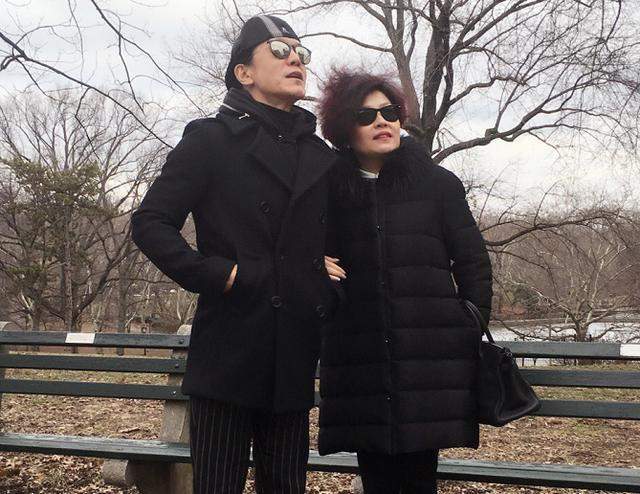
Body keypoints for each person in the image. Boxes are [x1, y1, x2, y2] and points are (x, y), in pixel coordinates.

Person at [131, 15, 339, 494]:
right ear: (244, 72)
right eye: (280, 50)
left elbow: (335, 237)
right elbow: (150, 222)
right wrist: (220, 274)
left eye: (301, 52)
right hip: (229, 348)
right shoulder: (210, 139)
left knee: (286, 487)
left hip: (293, 352)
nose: (296, 60)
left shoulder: (319, 153)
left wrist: (320, 276)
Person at [317, 69, 493, 494]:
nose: (382, 121)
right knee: (376, 476)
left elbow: (473, 262)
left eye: (390, 112)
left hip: (428, 361)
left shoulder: (437, 184)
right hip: (359, 360)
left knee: (419, 479)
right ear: (344, 130)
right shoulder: (328, 192)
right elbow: (307, 256)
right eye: (366, 116)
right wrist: (314, 268)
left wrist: (467, 323)